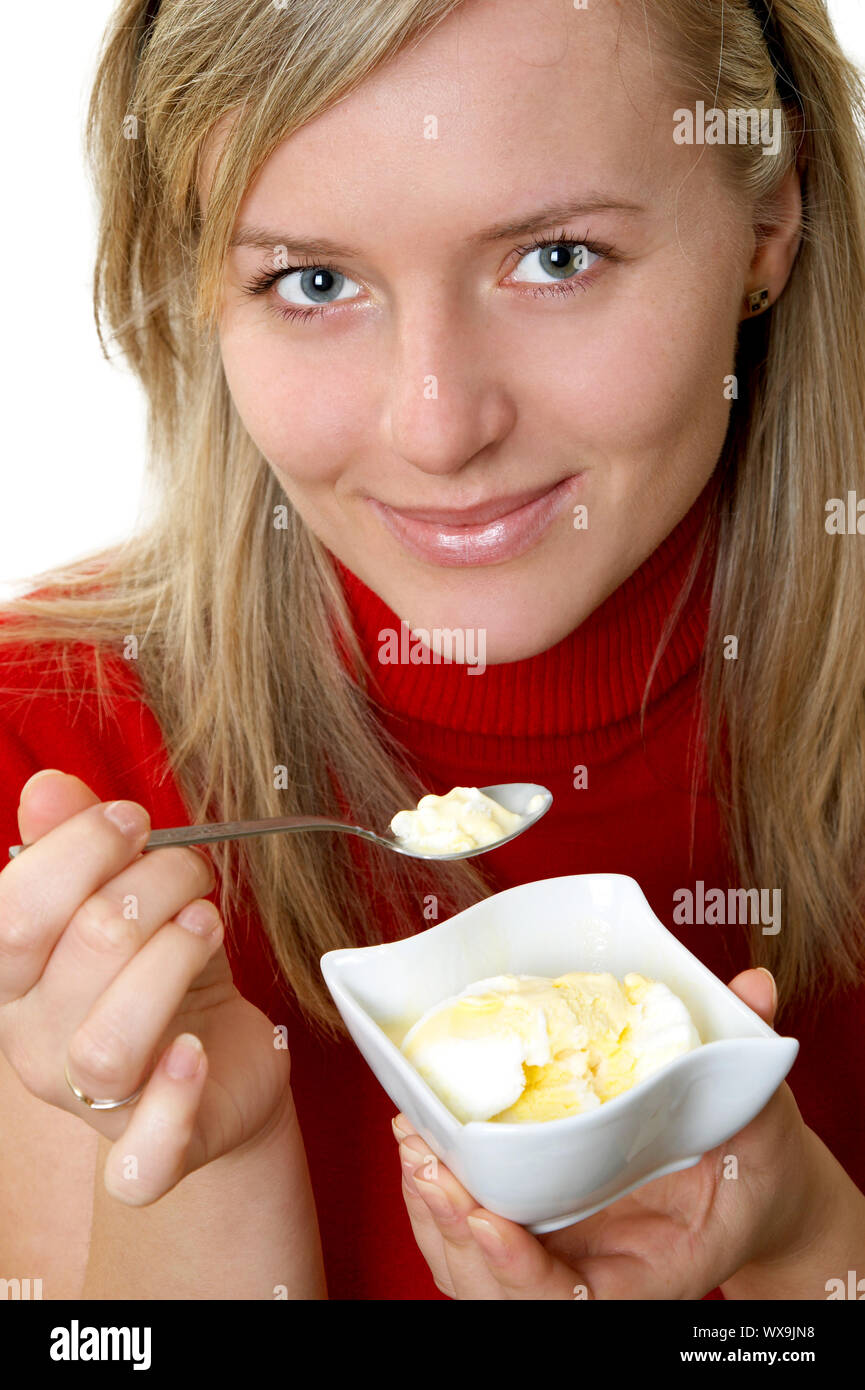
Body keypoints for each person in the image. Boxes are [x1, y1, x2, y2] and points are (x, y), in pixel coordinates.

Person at [1, 0, 864, 1301]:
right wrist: (202, 1161)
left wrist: (806, 1248)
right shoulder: (45, 752)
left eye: (557, 257)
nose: (437, 425)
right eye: (314, 282)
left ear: (767, 220)